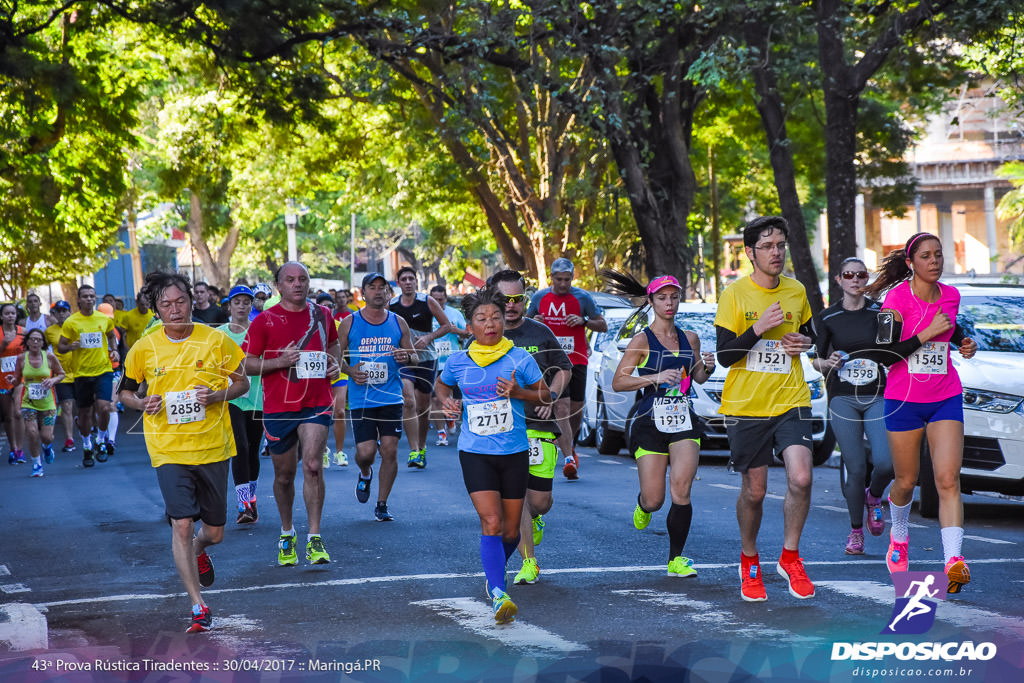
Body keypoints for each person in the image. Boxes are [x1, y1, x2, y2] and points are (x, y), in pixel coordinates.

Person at [119, 271, 249, 633]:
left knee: (215, 532)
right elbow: (126, 392)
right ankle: (198, 606)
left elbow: (242, 382)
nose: (174, 310)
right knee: (180, 523)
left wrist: (217, 394)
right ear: (155, 309)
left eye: (180, 302)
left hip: (212, 446)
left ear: (192, 301)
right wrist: (142, 402)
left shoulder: (215, 340)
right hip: (167, 448)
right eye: (165, 305)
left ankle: (200, 549)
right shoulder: (145, 347)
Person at [863, 233, 977, 594]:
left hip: (946, 395)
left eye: (939, 255)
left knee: (947, 480)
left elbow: (950, 326)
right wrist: (926, 335)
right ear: (911, 263)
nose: (935, 261)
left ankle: (953, 561)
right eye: (926, 256)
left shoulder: (952, 296)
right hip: (904, 399)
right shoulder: (895, 300)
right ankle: (899, 536)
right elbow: (882, 355)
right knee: (906, 481)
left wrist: (963, 341)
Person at [714, 215, 816, 602]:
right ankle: (750, 560)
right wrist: (758, 329)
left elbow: (810, 337)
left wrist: (802, 344)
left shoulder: (796, 291)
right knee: (755, 491)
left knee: (802, 477)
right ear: (750, 252)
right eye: (768, 246)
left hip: (791, 398)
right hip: (747, 405)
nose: (777, 253)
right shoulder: (735, 294)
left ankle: (790, 557)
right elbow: (725, 355)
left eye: (781, 245)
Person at [435, 287, 551, 624]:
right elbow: (443, 385)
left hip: (514, 452)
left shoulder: (519, 358)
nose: (491, 324)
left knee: (512, 532)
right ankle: (499, 593)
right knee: (492, 522)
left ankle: (493, 573)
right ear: (469, 326)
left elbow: (545, 394)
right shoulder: (457, 361)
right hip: (475, 452)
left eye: (496, 317)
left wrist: (520, 392)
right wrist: (448, 401)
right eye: (482, 319)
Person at [608, 273, 716, 578]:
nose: (669, 303)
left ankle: (676, 559)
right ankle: (643, 504)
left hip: (683, 419)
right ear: (652, 301)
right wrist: (654, 377)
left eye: (674, 297)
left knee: (681, 489)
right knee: (655, 499)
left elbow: (697, 377)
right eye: (662, 298)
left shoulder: (689, 337)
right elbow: (619, 381)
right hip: (650, 421)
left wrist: (707, 366)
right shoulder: (642, 340)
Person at [243, 262, 341, 566]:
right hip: (279, 405)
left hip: (317, 400)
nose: (298, 284)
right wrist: (280, 362)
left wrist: (335, 364)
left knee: (312, 465)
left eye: (303, 279)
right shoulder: (264, 321)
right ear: (279, 286)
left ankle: (314, 537)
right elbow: (246, 365)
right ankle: (287, 532)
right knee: (284, 476)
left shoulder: (322, 315)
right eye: (290, 280)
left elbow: (334, 345)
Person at [490, 270, 571, 586]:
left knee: (539, 502)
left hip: (539, 428)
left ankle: (535, 520)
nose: (510, 306)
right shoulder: (483, 335)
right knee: (516, 496)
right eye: (504, 299)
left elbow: (564, 369)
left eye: (516, 299)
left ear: (524, 299)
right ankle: (529, 562)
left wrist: (551, 394)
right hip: (503, 430)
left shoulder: (540, 333)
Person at [338, 273, 418, 521]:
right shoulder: (349, 323)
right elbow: (335, 359)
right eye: (372, 287)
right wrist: (351, 371)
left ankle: (382, 504)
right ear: (362, 294)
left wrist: (406, 357)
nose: (378, 292)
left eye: (382, 288)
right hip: (362, 398)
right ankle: (365, 473)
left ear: (388, 293)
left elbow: (414, 356)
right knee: (366, 453)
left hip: (391, 397)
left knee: (390, 450)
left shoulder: (398, 322)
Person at [527, 258, 607, 480]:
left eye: (567, 279)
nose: (563, 284)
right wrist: (535, 319)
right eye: (558, 279)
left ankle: (568, 444)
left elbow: (602, 324)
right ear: (551, 277)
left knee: (575, 408)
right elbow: (524, 323)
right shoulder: (540, 297)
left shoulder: (583, 297)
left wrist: (583, 321)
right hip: (550, 360)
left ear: (573, 277)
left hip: (577, 358)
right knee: (561, 406)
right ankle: (567, 457)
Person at [389, 266, 451, 469]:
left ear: (416, 282)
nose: (408, 282)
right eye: (404, 279)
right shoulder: (392, 305)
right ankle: (414, 450)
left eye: (411, 278)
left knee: (423, 406)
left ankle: (422, 447)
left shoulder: (427, 301)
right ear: (398, 283)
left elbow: (446, 325)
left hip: (426, 358)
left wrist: (428, 337)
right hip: (404, 359)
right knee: (408, 401)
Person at [217, 286, 265, 524]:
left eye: (247, 302)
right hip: (232, 395)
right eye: (237, 302)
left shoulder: (259, 329)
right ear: (230, 305)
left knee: (254, 449)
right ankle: (242, 503)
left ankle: (252, 499)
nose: (242, 306)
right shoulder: (221, 334)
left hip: (257, 395)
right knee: (240, 447)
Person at [58, 285, 119, 467]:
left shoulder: (103, 319)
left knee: (105, 407)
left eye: (92, 296)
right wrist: (70, 347)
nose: (89, 299)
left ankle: (100, 440)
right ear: (78, 300)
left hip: (103, 370)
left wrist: (114, 350)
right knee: (84, 413)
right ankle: (86, 445)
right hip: (82, 373)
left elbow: (110, 336)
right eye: (85, 297)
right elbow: (61, 346)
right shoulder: (71, 322)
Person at [12, 328, 66, 477]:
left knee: (47, 436)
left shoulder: (49, 357)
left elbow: (62, 374)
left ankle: (47, 447)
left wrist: (53, 380)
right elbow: (17, 379)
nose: (35, 342)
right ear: (27, 341)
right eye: (33, 339)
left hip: (48, 403)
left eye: (39, 339)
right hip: (29, 402)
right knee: (32, 432)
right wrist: (13, 380)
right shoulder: (22, 358)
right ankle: (37, 465)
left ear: (43, 343)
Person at [429, 285, 470, 445]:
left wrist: (453, 330)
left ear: (445, 298)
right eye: (435, 299)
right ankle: (441, 433)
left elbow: (468, 333)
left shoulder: (454, 313)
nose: (438, 302)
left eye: (441, 299)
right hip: (432, 361)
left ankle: (451, 420)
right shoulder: (426, 314)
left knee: (456, 399)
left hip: (453, 362)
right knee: (435, 399)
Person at [45, 301, 77, 453]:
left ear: (70, 312)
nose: (62, 314)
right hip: (62, 374)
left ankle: (87, 429)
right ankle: (69, 438)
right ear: (54, 314)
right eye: (58, 311)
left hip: (81, 371)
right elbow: (45, 352)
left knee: (84, 407)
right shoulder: (49, 331)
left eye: (64, 311)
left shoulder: (76, 326)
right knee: (66, 406)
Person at [1, 303, 27, 464]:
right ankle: (13, 448)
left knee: (18, 413)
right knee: (8, 417)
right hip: (2, 380)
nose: (11, 316)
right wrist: (3, 344)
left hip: (20, 378)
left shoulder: (23, 333)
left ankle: (20, 449)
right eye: (7, 313)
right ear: (1, 316)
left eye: (13, 313)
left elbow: (32, 351)